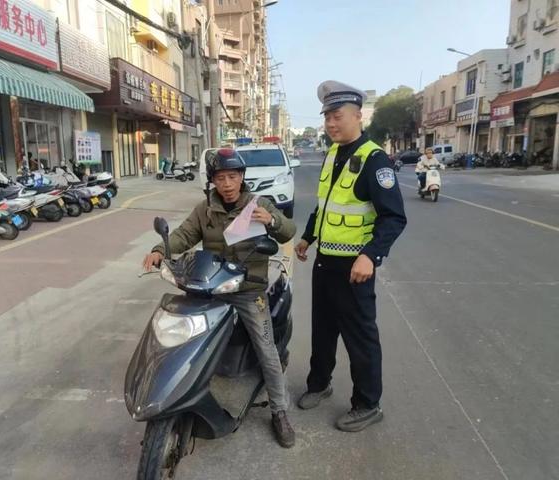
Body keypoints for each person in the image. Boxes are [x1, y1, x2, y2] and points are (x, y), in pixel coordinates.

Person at [142, 148, 297, 448]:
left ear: (241, 178)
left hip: (247, 289)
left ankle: (279, 411)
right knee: (183, 336)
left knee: (266, 349)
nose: (227, 183)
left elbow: (288, 232)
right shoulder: (204, 209)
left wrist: (272, 222)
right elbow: (183, 235)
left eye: (232, 177)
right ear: (212, 181)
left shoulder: (258, 204)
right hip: (209, 286)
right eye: (220, 178)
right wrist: (160, 250)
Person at [294, 81, 407, 432]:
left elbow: (394, 217)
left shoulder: (374, 160)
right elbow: (326, 205)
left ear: (358, 116)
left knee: (360, 338)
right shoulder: (332, 154)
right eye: (327, 116)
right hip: (326, 261)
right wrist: (308, 237)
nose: (330, 123)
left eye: (337, 116)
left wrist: (370, 256)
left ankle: (367, 404)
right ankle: (319, 384)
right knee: (323, 330)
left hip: (354, 268)